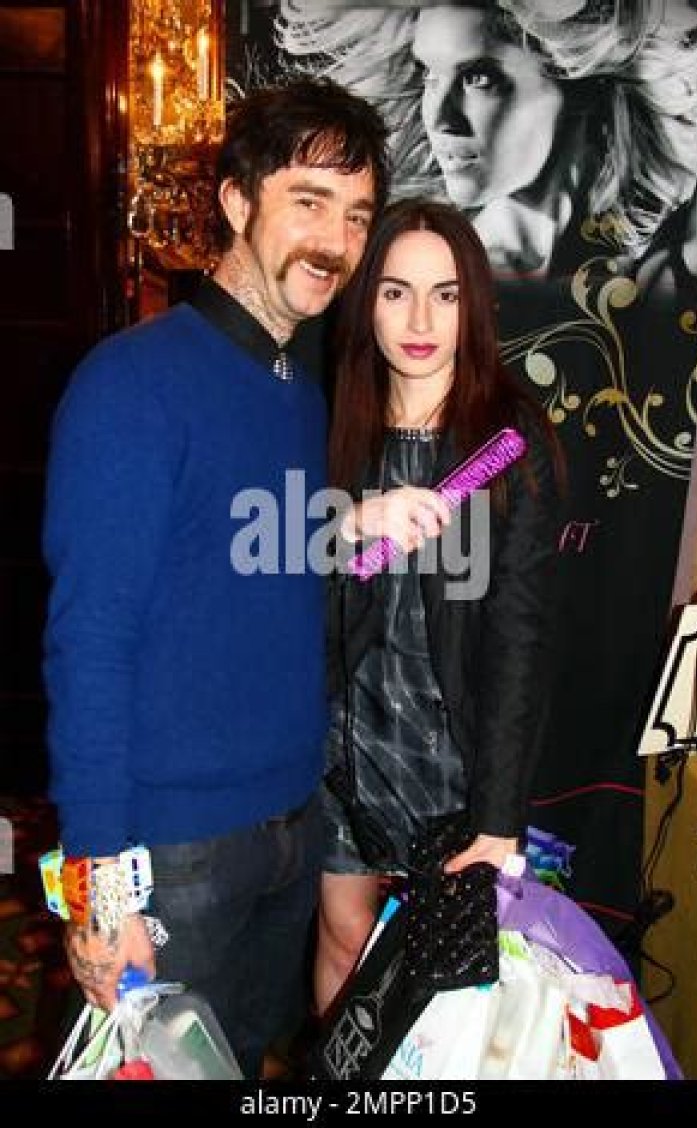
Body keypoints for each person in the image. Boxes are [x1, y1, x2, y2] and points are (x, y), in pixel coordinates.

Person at [41, 76, 394, 1079]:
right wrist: (103, 892)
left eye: (356, 214)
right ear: (238, 201)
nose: (336, 241)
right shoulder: (132, 383)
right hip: (174, 848)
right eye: (309, 202)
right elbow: (90, 640)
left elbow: (249, 573)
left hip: (289, 825)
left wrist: (354, 534)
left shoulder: (299, 390)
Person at [314, 196, 565, 1014]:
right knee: (344, 940)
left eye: (445, 294)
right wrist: (345, 525)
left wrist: (498, 813)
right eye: (395, 292)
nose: (420, 320)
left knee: (443, 985)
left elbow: (520, 638)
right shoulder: (332, 425)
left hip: (452, 750)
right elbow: (277, 566)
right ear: (366, 303)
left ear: (474, 306)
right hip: (345, 740)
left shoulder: (510, 442)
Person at [276, 0, 697, 282]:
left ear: (578, 84)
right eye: (429, 75)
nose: (440, 119)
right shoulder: (425, 269)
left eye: (477, 78)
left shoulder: (671, 245)